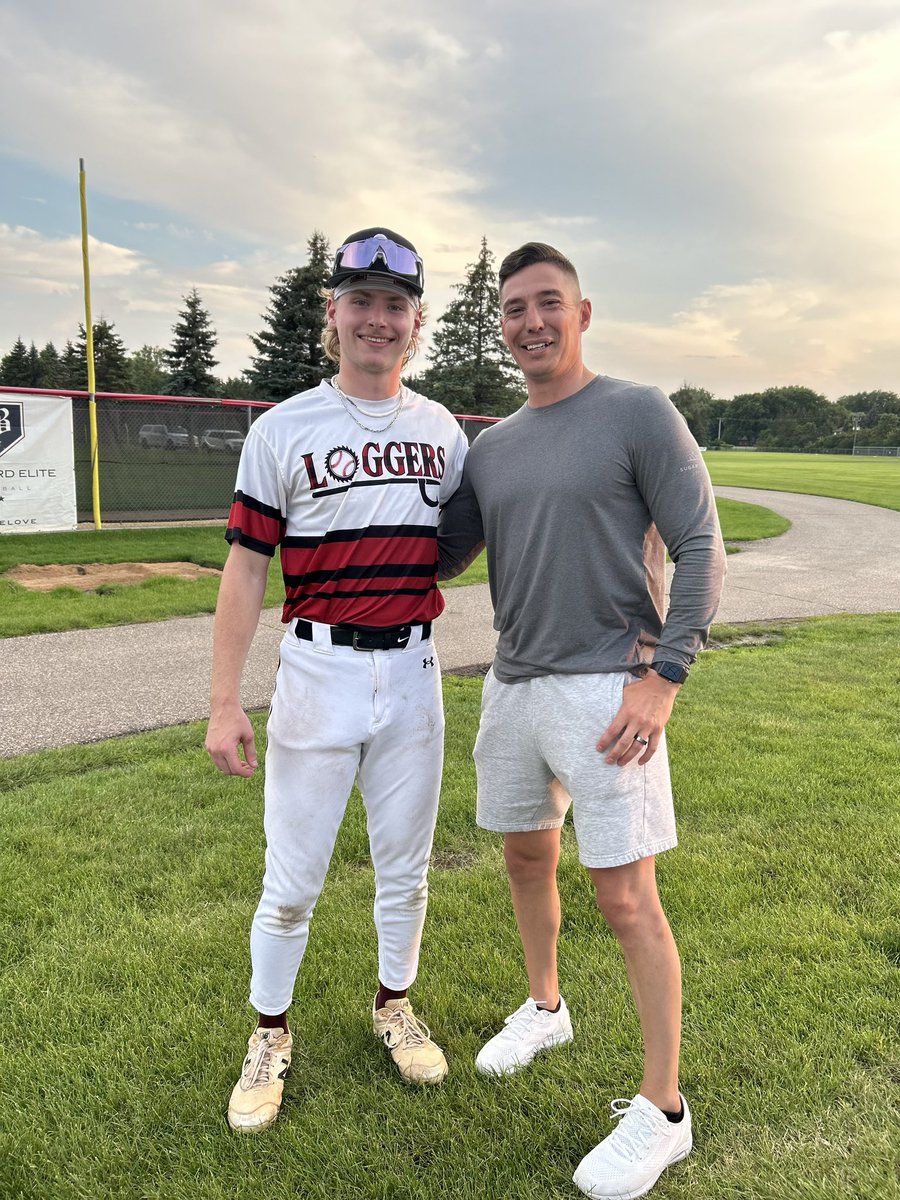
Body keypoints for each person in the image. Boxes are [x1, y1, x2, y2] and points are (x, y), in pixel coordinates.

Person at [437, 242, 726, 1199]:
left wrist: (666, 678)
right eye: (514, 309)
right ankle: (546, 1006)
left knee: (626, 897)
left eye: (547, 303)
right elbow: (439, 555)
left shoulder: (638, 412)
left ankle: (664, 1112)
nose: (531, 322)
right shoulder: (493, 445)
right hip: (513, 685)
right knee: (527, 858)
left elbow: (699, 545)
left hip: (611, 687)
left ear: (583, 312)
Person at [206, 227, 468, 1133]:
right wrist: (222, 700)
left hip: (414, 670)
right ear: (333, 313)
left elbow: (470, 543)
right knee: (292, 879)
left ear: (415, 321)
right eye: (360, 300)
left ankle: (394, 1005)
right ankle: (270, 1035)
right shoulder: (283, 429)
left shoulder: (443, 431)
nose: (377, 318)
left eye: (395, 304)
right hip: (317, 668)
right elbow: (245, 570)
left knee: (407, 867)